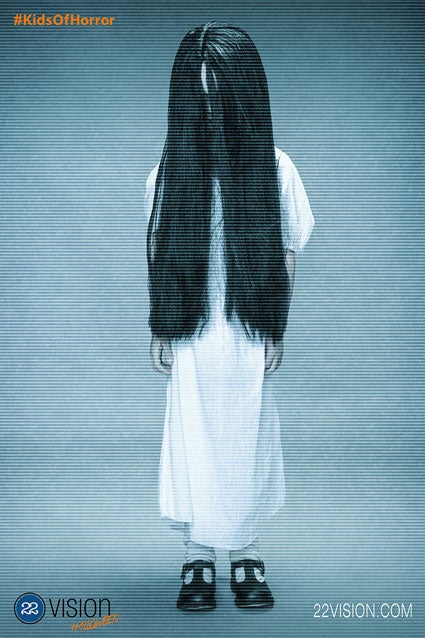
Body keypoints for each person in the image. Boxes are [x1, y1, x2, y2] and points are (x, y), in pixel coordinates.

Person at [144, 21, 315, 611]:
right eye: (199, 94)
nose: (211, 107)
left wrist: (275, 326)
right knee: (191, 432)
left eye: (220, 92)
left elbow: (286, 252)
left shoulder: (277, 170)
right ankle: (197, 554)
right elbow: (162, 253)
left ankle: (245, 550)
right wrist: (162, 326)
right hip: (192, 329)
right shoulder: (169, 174)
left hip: (246, 327)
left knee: (248, 433)